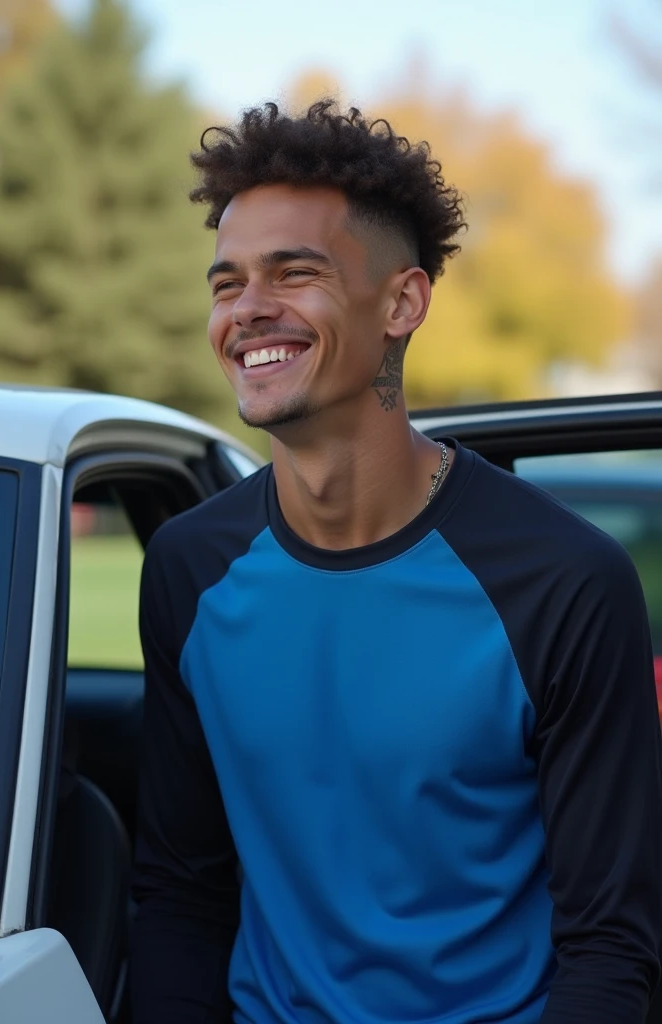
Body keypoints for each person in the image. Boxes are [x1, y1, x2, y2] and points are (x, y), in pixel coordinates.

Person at [130, 101, 662, 1024]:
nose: (249, 310)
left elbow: (612, 948)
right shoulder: (189, 566)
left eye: (294, 273)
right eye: (227, 284)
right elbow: (180, 894)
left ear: (403, 302)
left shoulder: (565, 581)